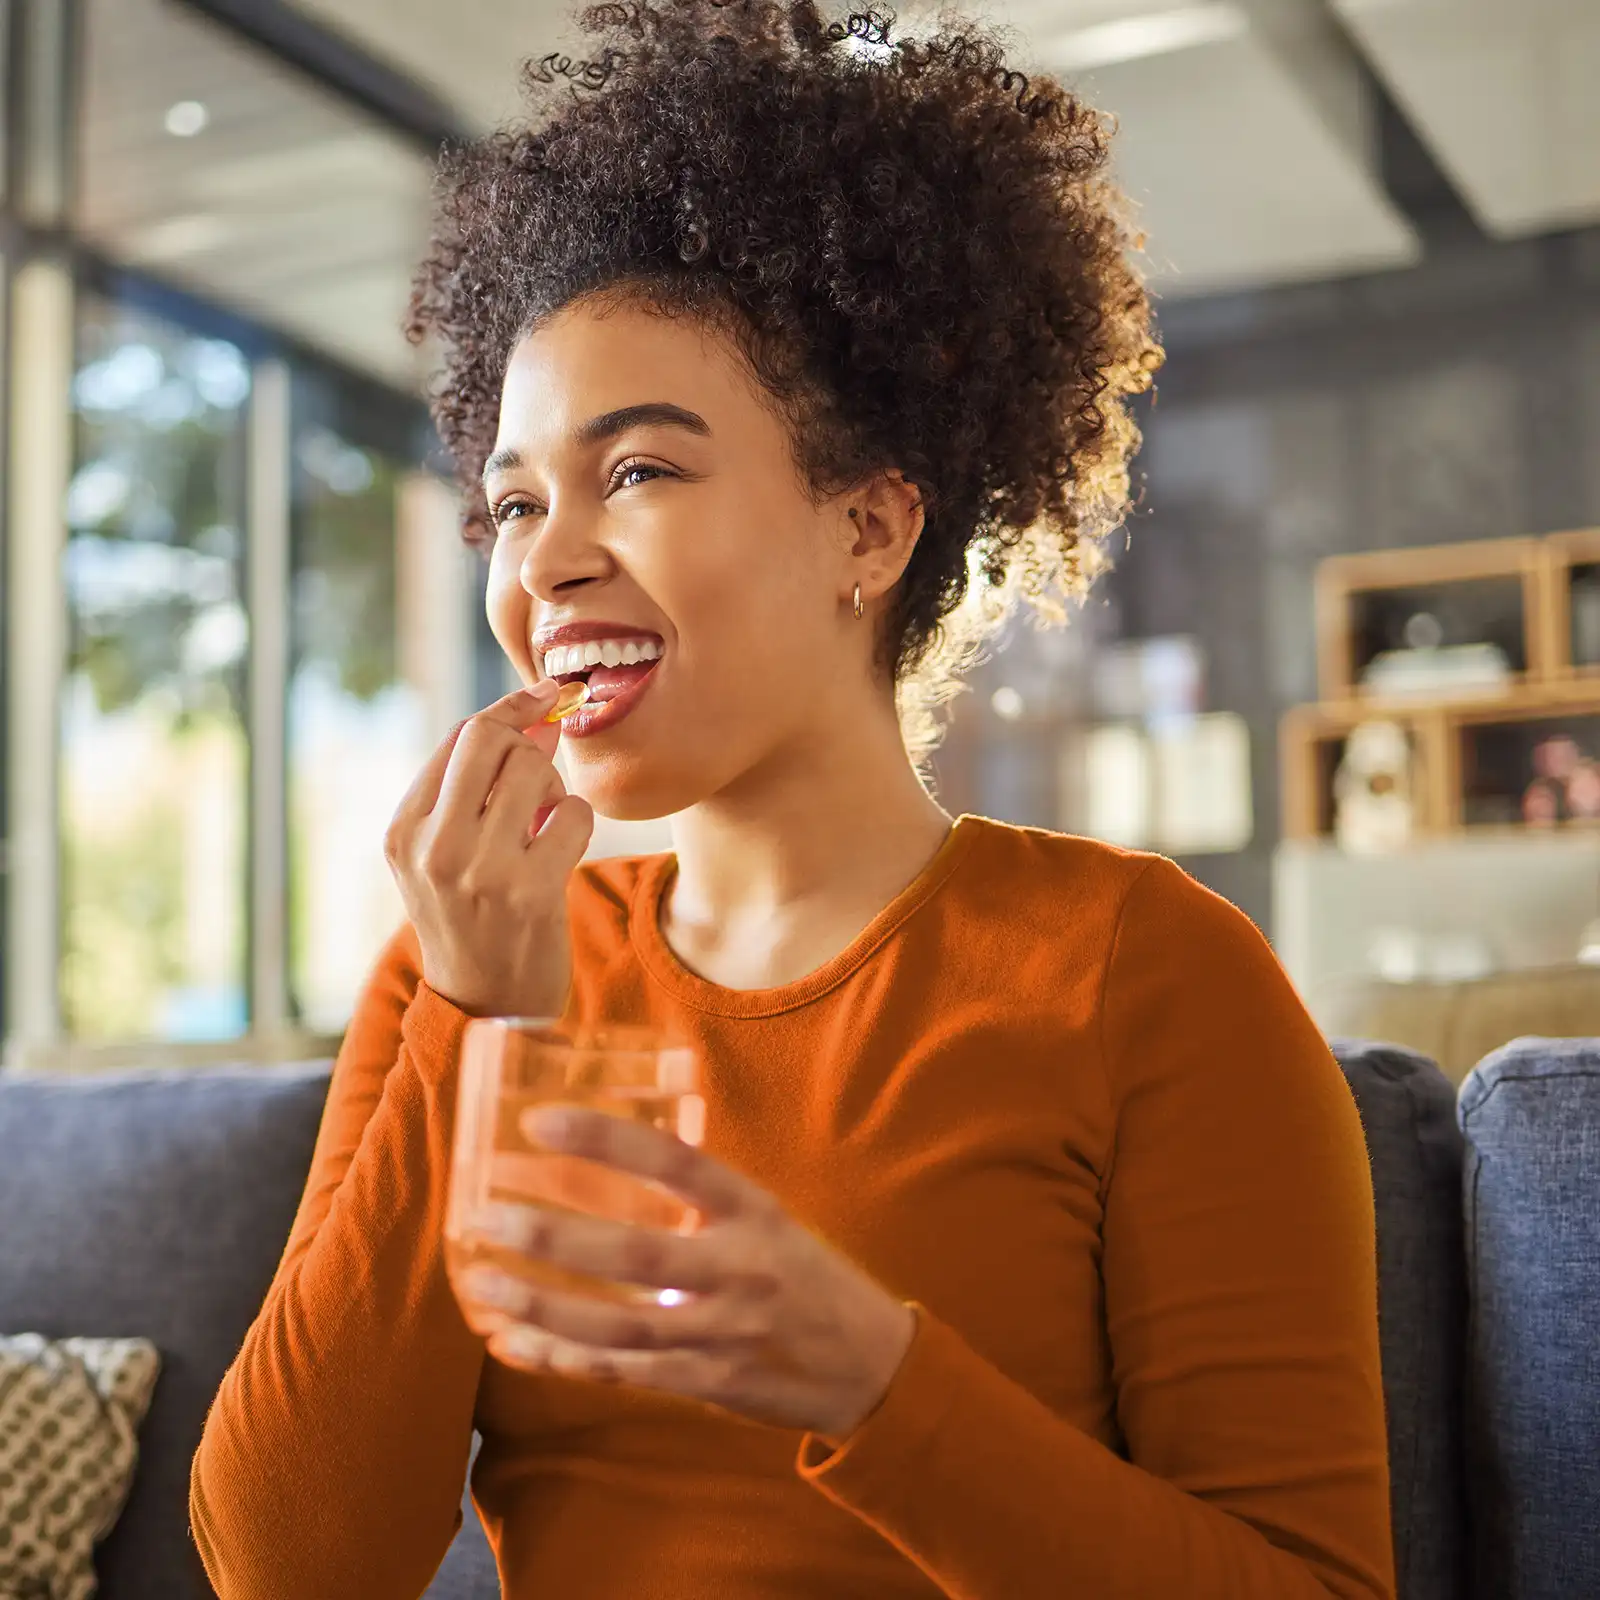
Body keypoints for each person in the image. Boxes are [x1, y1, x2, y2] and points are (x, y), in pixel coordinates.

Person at [189, 2, 1396, 1596]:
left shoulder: (1142, 974)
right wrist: (477, 1030)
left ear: (869, 530)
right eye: (515, 499)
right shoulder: (467, 967)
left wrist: (871, 1383)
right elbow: (288, 1567)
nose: (543, 561)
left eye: (641, 472)